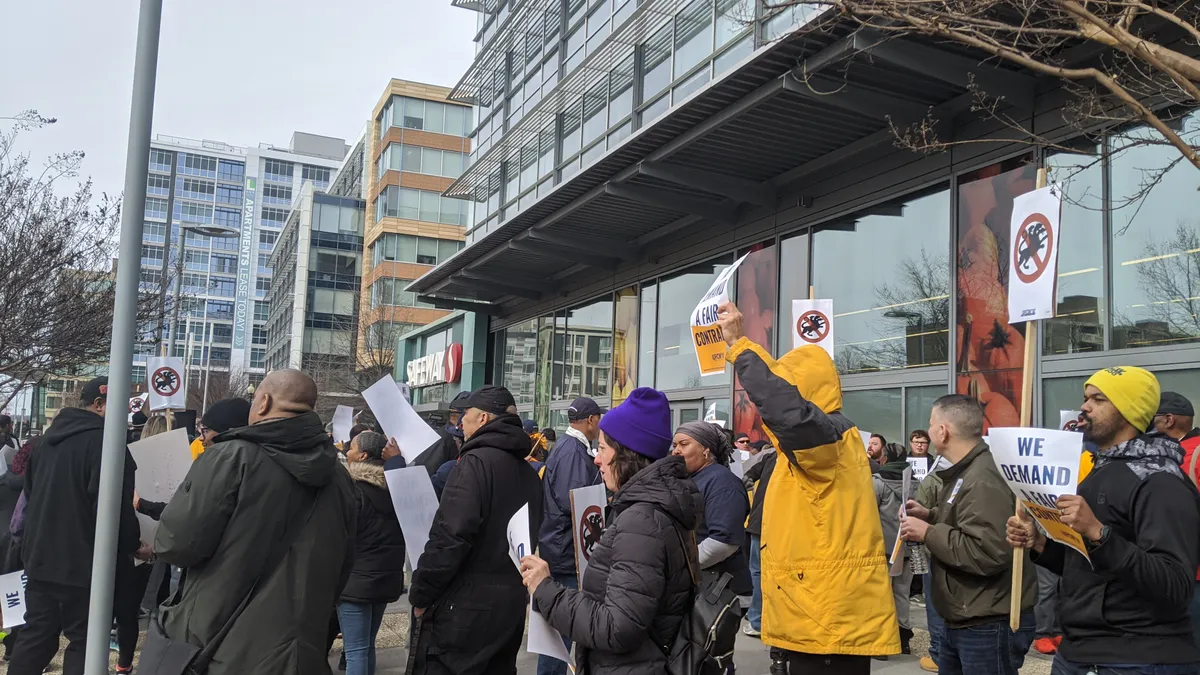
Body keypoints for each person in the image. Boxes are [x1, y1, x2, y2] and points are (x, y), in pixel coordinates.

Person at [717, 302, 900, 674]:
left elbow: (789, 412)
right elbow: (787, 407)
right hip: (815, 611)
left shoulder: (825, 439)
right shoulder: (823, 441)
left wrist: (740, 347)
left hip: (823, 618)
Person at [151, 369, 357, 675]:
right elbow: (344, 566)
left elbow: (175, 544)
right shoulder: (341, 479)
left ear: (263, 402)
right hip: (301, 651)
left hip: (220, 649)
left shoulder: (229, 458)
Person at [1008, 366, 1200, 675]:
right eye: (1086, 398)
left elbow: (1175, 584)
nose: (1084, 407)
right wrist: (1041, 544)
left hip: (1136, 658)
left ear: (1128, 411)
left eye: (1098, 399)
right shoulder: (1102, 469)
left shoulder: (1160, 481)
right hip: (1081, 653)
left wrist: (1098, 532)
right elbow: (1090, 566)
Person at [519, 387, 697, 675]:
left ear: (627, 454)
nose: (596, 460)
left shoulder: (641, 521)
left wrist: (546, 589)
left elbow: (618, 627)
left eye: (602, 449)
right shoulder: (648, 508)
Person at [9, 377, 145, 675]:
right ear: (98, 404)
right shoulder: (106, 445)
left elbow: (29, 501)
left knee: (37, 637)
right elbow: (114, 511)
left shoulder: (43, 444)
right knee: (85, 642)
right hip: (85, 564)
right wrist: (134, 546)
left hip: (40, 559)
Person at [407, 385, 544, 675]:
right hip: (509, 608)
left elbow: (449, 538)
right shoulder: (528, 473)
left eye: (464, 415)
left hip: (464, 610)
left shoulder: (473, 464)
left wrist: (421, 594)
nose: (459, 423)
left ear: (482, 419)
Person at [901, 394, 1036, 675]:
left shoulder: (982, 476)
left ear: (943, 431)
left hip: (986, 623)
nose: (928, 431)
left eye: (930, 424)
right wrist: (932, 516)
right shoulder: (969, 471)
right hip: (967, 616)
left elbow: (987, 552)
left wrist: (928, 532)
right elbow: (972, 522)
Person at [673, 420, 752, 673]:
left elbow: (724, 541)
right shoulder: (692, 477)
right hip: (702, 585)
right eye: (674, 445)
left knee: (709, 660)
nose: (676, 450)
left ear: (707, 450)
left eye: (684, 444)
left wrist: (681, 563)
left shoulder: (722, 482)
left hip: (722, 591)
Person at [535, 396, 605, 675]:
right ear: (591, 420)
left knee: (560, 628)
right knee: (560, 630)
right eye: (598, 419)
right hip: (566, 551)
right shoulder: (573, 452)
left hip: (562, 546)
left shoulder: (571, 448)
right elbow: (574, 501)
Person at [339, 431, 406, 675]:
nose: (347, 452)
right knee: (366, 647)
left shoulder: (353, 490)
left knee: (355, 650)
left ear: (363, 456)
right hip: (385, 578)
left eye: (352, 448)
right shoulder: (397, 488)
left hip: (354, 580)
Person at [873, 441, 915, 656]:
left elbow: (869, 513)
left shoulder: (878, 482)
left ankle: (881, 643)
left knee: (881, 594)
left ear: (885, 458)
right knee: (902, 592)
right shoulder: (915, 482)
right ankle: (903, 639)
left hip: (884, 547)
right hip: (907, 546)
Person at [912, 453, 948, 674]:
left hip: (935, 549)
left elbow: (920, 512)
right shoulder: (974, 477)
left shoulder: (932, 480)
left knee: (935, 604)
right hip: (962, 550)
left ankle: (938, 654)